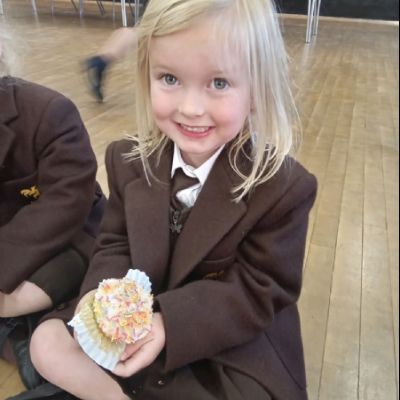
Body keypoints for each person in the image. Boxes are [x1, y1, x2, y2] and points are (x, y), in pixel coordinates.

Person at [30, 0, 317, 399]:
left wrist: (167, 324)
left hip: (223, 342)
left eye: (219, 83)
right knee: (46, 343)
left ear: (256, 91)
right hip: (136, 320)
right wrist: (97, 295)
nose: (190, 108)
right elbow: (114, 242)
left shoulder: (283, 187)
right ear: (146, 75)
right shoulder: (127, 160)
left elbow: (259, 290)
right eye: (169, 79)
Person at [0, 27, 106, 393]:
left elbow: (67, 203)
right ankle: (16, 332)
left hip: (70, 237)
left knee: (32, 290)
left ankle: (22, 326)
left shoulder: (48, 111)